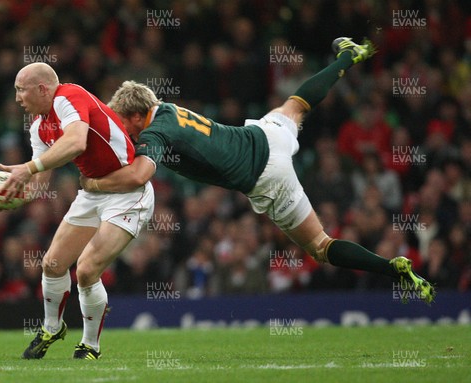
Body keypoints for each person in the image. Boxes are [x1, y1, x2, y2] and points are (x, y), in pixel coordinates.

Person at [80, 38, 435, 304]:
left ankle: (392, 268)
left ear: (139, 115)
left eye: (124, 123)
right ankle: (347, 55)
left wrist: (95, 183)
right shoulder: (168, 110)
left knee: (320, 246)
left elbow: (139, 175)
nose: (123, 131)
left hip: (266, 176)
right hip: (264, 135)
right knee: (296, 104)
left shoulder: (155, 133)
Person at [0, 62, 154, 360]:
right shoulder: (38, 127)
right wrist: (14, 197)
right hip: (93, 193)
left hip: (127, 193)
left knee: (86, 270)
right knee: (53, 264)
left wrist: (29, 168)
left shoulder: (69, 96)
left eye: (21, 90)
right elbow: (40, 180)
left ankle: (89, 346)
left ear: (43, 89)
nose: (17, 97)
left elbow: (75, 141)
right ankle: (51, 327)